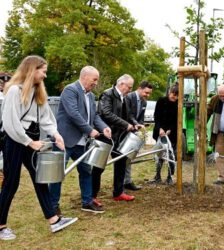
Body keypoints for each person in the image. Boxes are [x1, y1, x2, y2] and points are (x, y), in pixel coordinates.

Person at [0, 56, 77, 240]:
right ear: (32, 70)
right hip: (15, 140)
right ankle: (1, 225)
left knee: (40, 179)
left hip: (31, 140)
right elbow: (10, 123)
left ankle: (53, 220)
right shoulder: (14, 91)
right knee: (11, 182)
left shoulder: (37, 91)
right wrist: (29, 142)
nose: (45, 74)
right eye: (43, 70)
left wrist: (56, 134)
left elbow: (45, 118)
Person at [49, 66, 112, 215]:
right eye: (94, 79)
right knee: (58, 173)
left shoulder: (90, 96)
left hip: (81, 142)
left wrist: (104, 128)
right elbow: (73, 114)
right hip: (64, 140)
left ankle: (87, 202)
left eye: (97, 80)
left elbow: (95, 116)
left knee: (86, 171)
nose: (96, 83)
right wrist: (90, 130)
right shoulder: (70, 90)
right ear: (84, 77)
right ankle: (52, 206)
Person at [92, 74, 135, 203]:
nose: (130, 90)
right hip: (105, 135)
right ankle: (92, 196)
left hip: (120, 136)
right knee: (98, 166)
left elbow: (129, 115)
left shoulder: (125, 98)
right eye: (129, 87)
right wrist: (125, 124)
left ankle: (118, 192)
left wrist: (134, 123)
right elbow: (106, 113)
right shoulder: (107, 94)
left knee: (121, 163)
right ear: (121, 84)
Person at [123, 81, 153, 190]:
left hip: (133, 131)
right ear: (139, 88)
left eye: (149, 93)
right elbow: (128, 114)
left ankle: (127, 181)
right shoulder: (129, 97)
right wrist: (136, 123)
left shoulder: (144, 102)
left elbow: (140, 117)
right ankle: (121, 182)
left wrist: (141, 125)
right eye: (146, 93)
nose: (147, 95)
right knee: (122, 158)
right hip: (123, 130)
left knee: (129, 157)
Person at [149, 84, 179, 185]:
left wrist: (170, 129)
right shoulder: (161, 101)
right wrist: (160, 129)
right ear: (169, 92)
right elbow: (156, 116)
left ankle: (170, 176)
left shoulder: (179, 104)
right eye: (172, 94)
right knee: (159, 154)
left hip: (172, 133)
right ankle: (157, 175)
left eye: (176, 95)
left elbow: (177, 120)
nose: (173, 96)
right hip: (160, 131)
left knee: (171, 155)